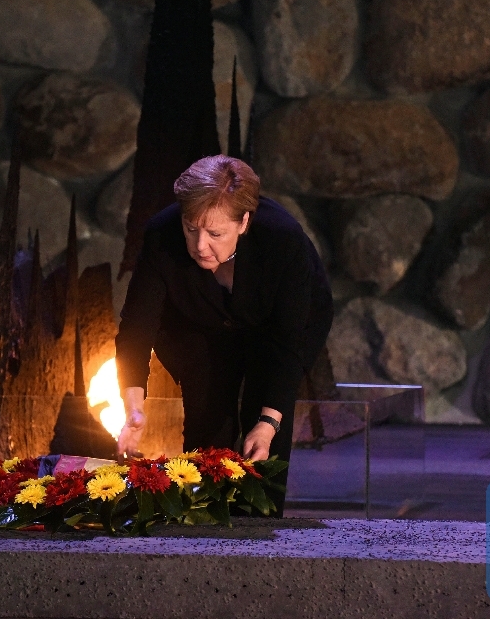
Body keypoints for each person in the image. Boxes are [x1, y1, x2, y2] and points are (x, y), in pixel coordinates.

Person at [115, 155, 333, 514]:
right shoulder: (161, 234)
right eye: (191, 228)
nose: (200, 245)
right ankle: (206, 519)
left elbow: (287, 345)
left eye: (215, 234)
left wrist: (267, 424)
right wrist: (133, 410)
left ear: (244, 222)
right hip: (199, 324)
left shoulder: (282, 240)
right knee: (207, 417)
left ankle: (262, 524)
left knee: (264, 430)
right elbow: (136, 328)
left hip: (278, 329)